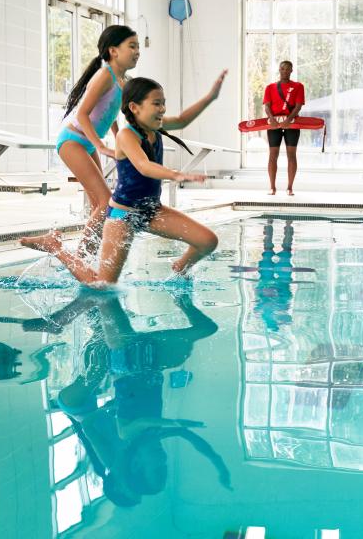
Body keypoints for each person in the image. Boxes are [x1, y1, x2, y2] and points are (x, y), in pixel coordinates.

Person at [27, 71, 227, 285]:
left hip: (152, 211)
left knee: (208, 241)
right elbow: (143, 166)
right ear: (135, 107)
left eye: (163, 103)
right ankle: (55, 246)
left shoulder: (155, 126)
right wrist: (175, 174)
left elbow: (182, 120)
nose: (162, 109)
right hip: (123, 216)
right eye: (157, 104)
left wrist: (210, 97)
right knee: (102, 285)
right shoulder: (127, 135)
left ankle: (180, 267)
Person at [55, 290, 231, 506]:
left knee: (99, 364)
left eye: (130, 489)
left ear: (119, 485)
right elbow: (188, 436)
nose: (133, 485)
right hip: (137, 372)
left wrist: (112, 407)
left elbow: (90, 426)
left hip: (79, 408)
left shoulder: (115, 462)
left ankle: (72, 309)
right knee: (204, 330)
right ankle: (178, 295)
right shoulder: (148, 442)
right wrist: (219, 466)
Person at [21, 25, 140, 259]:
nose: (137, 51)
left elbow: (112, 111)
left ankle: (80, 256)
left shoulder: (121, 79)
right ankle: (81, 260)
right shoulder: (104, 75)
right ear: (113, 51)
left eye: (138, 47)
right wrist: (100, 145)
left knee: (100, 204)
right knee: (106, 203)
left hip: (83, 143)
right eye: (132, 46)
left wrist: (119, 142)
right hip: (73, 141)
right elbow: (83, 113)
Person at [263, 60, 305, 196]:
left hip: (291, 123)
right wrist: (272, 119)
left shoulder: (298, 86)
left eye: (288, 69)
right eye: (282, 69)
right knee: (272, 155)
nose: (285, 71)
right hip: (274, 123)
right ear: (279, 70)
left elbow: (298, 106)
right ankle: (272, 187)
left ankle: (290, 187)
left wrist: (288, 119)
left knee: (291, 155)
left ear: (292, 70)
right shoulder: (270, 87)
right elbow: (267, 106)